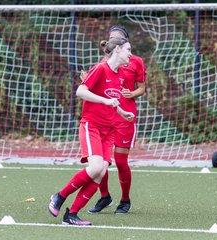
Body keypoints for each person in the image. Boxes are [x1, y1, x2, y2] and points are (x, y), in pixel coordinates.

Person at [48, 37, 134, 226]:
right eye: (128, 49)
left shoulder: (120, 74)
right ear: (118, 49)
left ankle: (71, 215)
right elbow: (81, 91)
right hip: (92, 125)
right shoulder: (100, 68)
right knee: (95, 168)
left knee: (101, 172)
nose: (130, 53)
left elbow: (111, 100)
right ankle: (59, 196)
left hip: (109, 130)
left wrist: (121, 112)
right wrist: (105, 101)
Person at [86, 26, 146, 214]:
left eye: (118, 38)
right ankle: (104, 196)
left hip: (124, 117)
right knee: (102, 161)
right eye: (111, 38)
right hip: (105, 117)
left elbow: (142, 88)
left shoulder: (135, 61)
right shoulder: (104, 64)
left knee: (120, 161)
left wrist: (132, 93)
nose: (114, 41)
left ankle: (125, 200)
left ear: (125, 43)